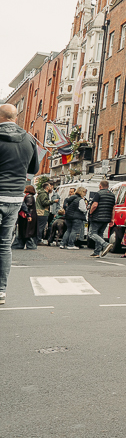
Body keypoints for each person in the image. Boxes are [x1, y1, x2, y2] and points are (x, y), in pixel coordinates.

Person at [0, 104, 40, 305]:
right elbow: (34, 168)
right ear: (16, 117)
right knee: (4, 245)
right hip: (15, 198)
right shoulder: (29, 139)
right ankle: (1, 290)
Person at [88, 180, 116, 257]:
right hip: (106, 218)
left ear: (100, 186)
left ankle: (105, 244)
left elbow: (94, 205)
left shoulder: (98, 194)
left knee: (92, 234)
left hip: (97, 217)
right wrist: (112, 219)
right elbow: (113, 208)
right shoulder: (112, 195)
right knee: (100, 234)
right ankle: (97, 252)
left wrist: (90, 213)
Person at [13, 184, 38, 250]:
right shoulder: (29, 196)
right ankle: (25, 245)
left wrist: (26, 213)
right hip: (28, 215)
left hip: (26, 216)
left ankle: (28, 245)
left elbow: (27, 206)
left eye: (26, 188)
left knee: (26, 231)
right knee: (26, 232)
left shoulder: (28, 196)